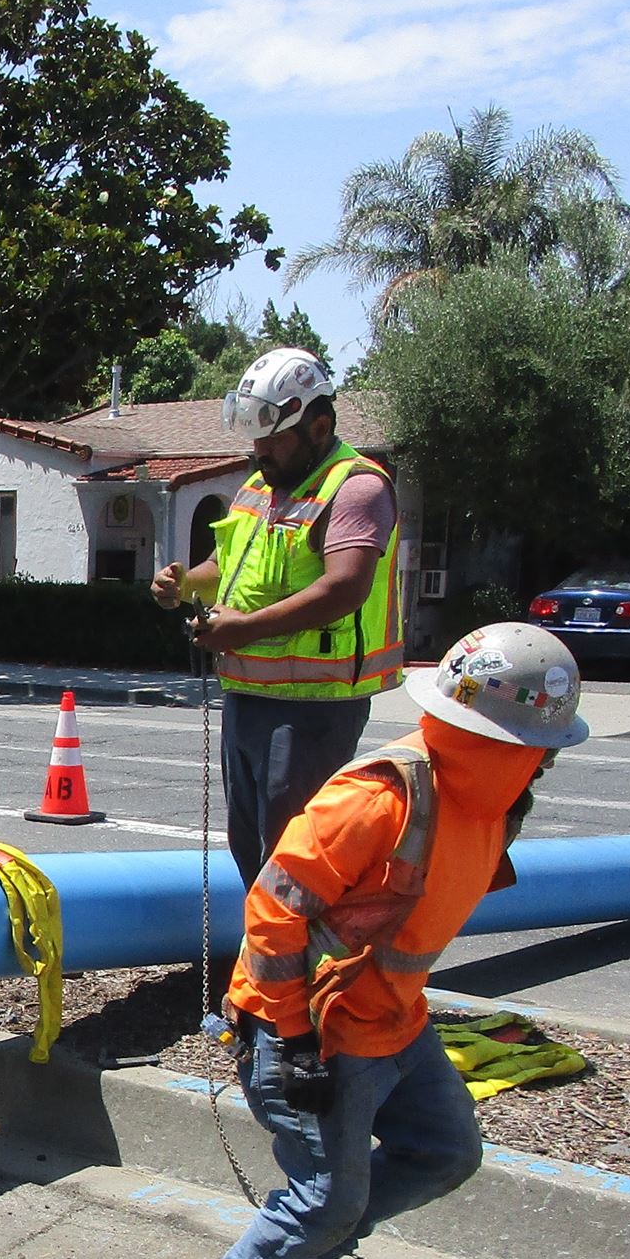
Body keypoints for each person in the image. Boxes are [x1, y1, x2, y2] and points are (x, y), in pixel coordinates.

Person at [167, 622, 590, 1259]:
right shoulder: (378, 799)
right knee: (327, 1197)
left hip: (393, 1018)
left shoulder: (492, 802)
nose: (544, 760)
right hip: (315, 1029)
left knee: (442, 1151)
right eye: (533, 746)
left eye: (547, 748)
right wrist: (290, 1038)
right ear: (481, 735)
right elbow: (272, 911)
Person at [152, 347, 404, 887]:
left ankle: (294, 969)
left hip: (312, 708)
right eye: (256, 440)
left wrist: (242, 629)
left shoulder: (356, 487)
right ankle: (267, 963)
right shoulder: (260, 488)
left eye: (274, 439)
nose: (261, 450)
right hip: (248, 696)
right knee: (252, 853)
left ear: (319, 424)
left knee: (293, 861)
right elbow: (225, 567)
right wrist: (184, 583)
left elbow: (344, 587)